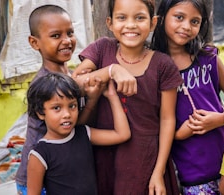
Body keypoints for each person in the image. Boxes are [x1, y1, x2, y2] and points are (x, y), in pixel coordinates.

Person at [72, 0, 183, 194]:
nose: (130, 25)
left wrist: (159, 171)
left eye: (139, 18)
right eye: (122, 18)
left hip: (144, 159)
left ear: (153, 23)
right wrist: (111, 70)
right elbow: (74, 84)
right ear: (110, 23)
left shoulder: (163, 65)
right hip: (104, 155)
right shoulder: (102, 50)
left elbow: (167, 119)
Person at [15, 5, 109, 194]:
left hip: (60, 170)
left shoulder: (70, 76)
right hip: (37, 175)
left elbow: (78, 127)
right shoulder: (43, 83)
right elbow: (72, 127)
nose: (67, 41)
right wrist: (112, 71)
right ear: (35, 43)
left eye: (70, 33)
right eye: (56, 36)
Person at [150, 0, 224, 194]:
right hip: (194, 169)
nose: (186, 26)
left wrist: (222, 118)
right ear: (161, 18)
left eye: (195, 21)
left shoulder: (208, 57)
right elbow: (153, 125)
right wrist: (180, 133)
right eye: (179, 17)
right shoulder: (154, 67)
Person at [26, 72, 131, 195]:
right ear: (41, 113)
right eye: (56, 108)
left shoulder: (83, 133)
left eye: (72, 106)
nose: (67, 114)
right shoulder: (40, 154)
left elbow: (122, 134)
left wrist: (112, 96)